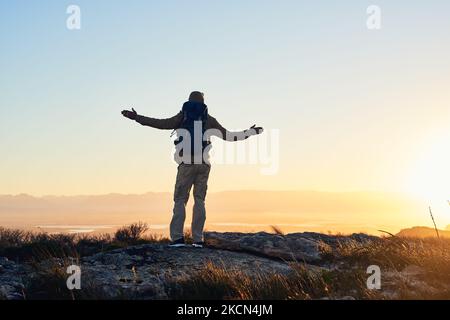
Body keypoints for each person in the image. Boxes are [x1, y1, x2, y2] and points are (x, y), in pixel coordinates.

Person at [121, 91, 263, 248]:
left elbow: (159, 123)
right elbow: (229, 136)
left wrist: (137, 117)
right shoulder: (209, 119)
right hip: (203, 165)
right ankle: (198, 239)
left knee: (180, 200)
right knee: (200, 200)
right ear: (203, 102)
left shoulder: (183, 117)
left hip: (186, 164)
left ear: (188, 101)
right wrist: (250, 132)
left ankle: (177, 239)